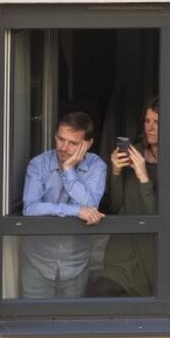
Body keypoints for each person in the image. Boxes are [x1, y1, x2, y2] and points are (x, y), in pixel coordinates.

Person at [99, 97, 170, 296]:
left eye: (157, 122)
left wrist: (144, 177)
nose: (150, 128)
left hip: (161, 255)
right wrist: (116, 172)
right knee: (101, 293)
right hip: (126, 251)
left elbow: (161, 218)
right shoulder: (133, 152)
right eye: (147, 121)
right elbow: (117, 204)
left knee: (154, 315)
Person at [19, 111, 107, 298]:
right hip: (37, 262)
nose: (63, 147)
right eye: (60, 139)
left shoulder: (96, 166)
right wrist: (75, 211)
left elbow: (90, 205)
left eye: (73, 143)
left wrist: (68, 170)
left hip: (75, 265)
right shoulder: (38, 164)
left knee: (71, 323)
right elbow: (30, 208)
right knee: (33, 323)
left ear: (88, 144)